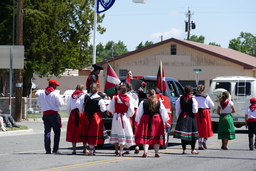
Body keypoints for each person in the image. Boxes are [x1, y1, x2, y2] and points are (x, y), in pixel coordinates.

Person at [135, 89, 169, 158]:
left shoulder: (143, 102)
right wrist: (166, 121)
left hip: (146, 119)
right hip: (157, 120)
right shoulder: (159, 102)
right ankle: (156, 153)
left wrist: (138, 121)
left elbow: (139, 113)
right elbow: (163, 113)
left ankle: (145, 151)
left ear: (148, 94)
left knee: (146, 136)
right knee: (156, 136)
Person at [37, 80, 64, 154]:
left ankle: (47, 150)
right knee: (57, 132)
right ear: (54, 86)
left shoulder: (41, 93)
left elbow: (39, 104)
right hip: (54, 114)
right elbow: (61, 104)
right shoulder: (55, 93)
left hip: (45, 114)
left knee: (47, 132)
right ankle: (55, 149)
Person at [108, 85, 135, 157]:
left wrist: (114, 112)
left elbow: (111, 108)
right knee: (123, 132)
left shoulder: (115, 98)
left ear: (120, 91)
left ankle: (117, 150)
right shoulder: (129, 98)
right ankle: (121, 151)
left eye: (118, 90)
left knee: (116, 132)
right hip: (125, 117)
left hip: (116, 117)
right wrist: (129, 114)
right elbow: (131, 111)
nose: (117, 91)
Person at [82, 83, 108, 156]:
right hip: (96, 117)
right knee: (94, 132)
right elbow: (103, 109)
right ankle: (92, 150)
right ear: (97, 89)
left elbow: (82, 107)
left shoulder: (86, 97)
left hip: (87, 116)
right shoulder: (99, 98)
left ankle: (90, 148)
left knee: (89, 132)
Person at [173, 85, 199, 155]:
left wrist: (179, 116)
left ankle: (184, 150)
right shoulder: (193, 99)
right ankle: (193, 149)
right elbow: (195, 110)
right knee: (193, 134)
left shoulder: (180, 98)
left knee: (183, 134)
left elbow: (178, 109)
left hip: (183, 116)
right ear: (191, 91)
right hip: (191, 116)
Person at [66, 85, 86, 154]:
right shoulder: (83, 95)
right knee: (83, 130)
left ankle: (74, 149)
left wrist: (70, 114)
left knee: (73, 131)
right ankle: (84, 148)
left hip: (73, 114)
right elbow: (83, 106)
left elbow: (68, 107)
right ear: (82, 89)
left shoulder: (71, 96)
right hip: (81, 114)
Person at [194, 84, 214, 150]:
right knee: (206, 128)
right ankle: (204, 141)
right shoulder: (206, 96)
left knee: (199, 128)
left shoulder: (194, 97)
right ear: (203, 90)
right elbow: (212, 105)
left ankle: (199, 144)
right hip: (205, 113)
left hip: (197, 113)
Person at [124, 82, 140, 154]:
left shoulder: (126, 95)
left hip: (128, 112)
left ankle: (127, 148)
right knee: (135, 128)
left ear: (128, 88)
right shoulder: (135, 94)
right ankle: (137, 146)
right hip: (135, 111)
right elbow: (136, 104)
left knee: (128, 128)